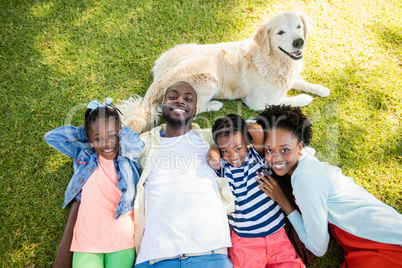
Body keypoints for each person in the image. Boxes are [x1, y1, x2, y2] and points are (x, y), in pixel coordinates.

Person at [255, 104, 402, 268]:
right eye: (268, 150)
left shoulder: (305, 179)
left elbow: (318, 248)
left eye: (284, 150)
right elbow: (250, 126)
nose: (276, 159)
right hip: (380, 239)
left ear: (300, 147)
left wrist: (284, 201)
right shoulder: (308, 162)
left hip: (388, 247)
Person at [133, 81, 234, 267]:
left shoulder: (210, 139)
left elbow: (253, 130)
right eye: (172, 97)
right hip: (155, 257)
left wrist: (214, 146)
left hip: (210, 253)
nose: (179, 100)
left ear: (195, 110)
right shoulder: (142, 143)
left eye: (188, 99)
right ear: (163, 107)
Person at [45, 98, 144, 268]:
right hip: (87, 240)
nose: (107, 144)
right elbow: (52, 137)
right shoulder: (85, 155)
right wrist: (87, 132)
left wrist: (119, 130)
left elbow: (136, 142)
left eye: (113, 136)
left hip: (121, 238)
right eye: (98, 139)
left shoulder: (128, 156)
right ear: (90, 140)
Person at [206, 114, 306, 268]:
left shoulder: (257, 157)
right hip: (245, 241)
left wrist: (236, 126)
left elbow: (257, 130)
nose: (233, 156)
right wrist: (215, 145)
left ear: (247, 142)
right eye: (225, 151)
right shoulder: (225, 169)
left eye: (238, 148)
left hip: (277, 236)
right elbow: (212, 159)